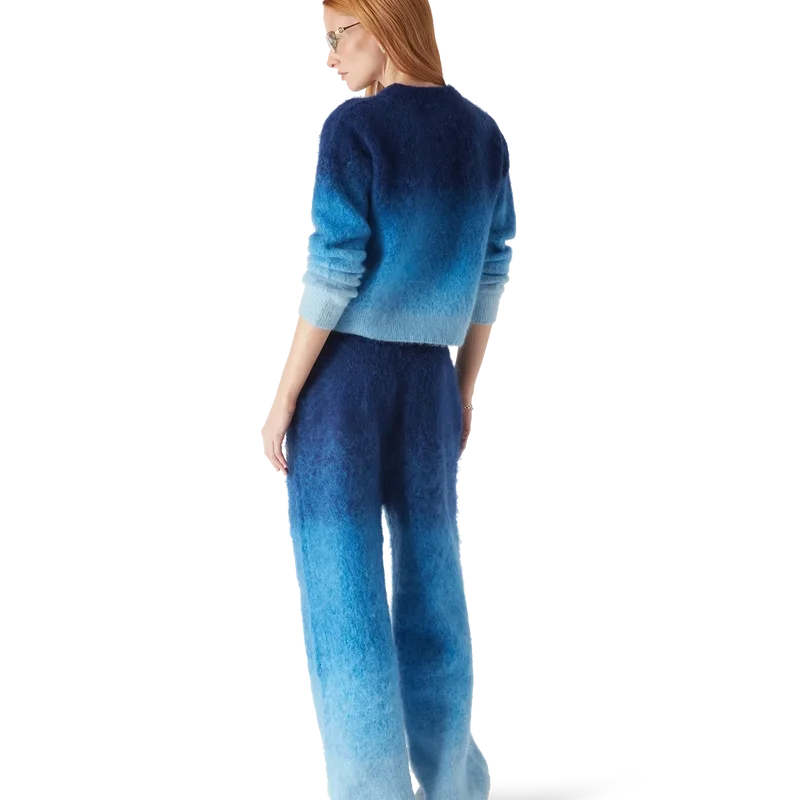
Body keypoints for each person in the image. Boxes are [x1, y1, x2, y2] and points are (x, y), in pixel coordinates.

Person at [259, 1, 516, 797]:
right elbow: (489, 277)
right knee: (435, 587)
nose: (331, 59)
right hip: (431, 385)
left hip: (343, 389)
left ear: (386, 23)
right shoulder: (484, 137)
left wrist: (283, 396)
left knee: (346, 606)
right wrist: (464, 391)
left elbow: (333, 273)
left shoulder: (355, 130)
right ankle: (453, 782)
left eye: (340, 36)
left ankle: (371, 791)